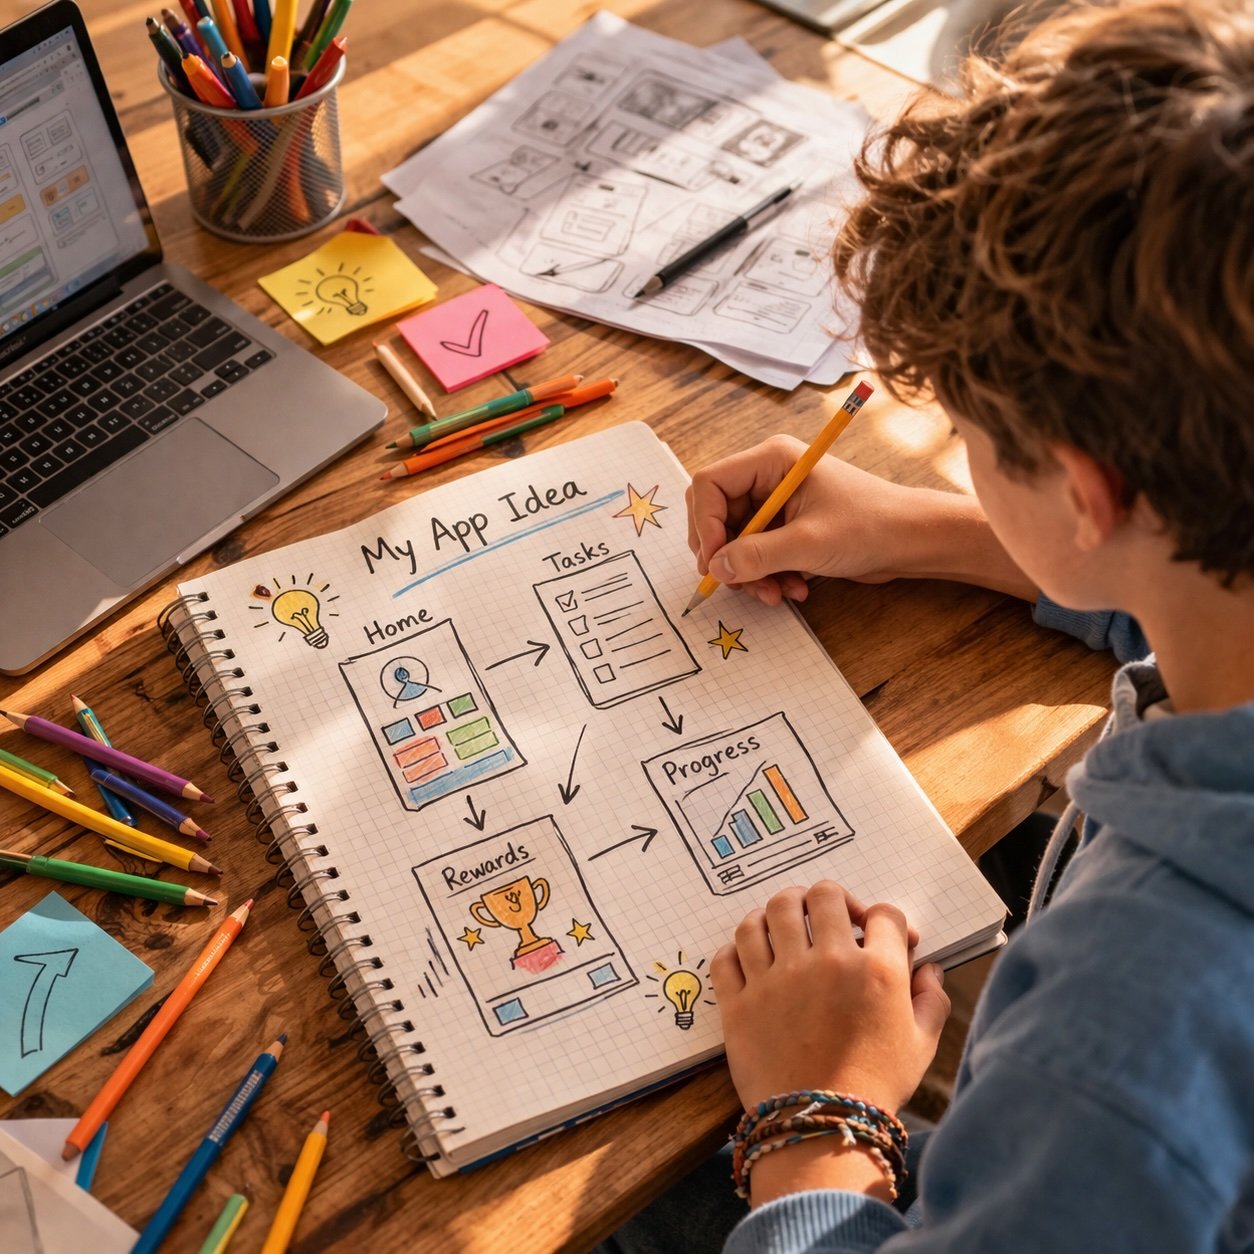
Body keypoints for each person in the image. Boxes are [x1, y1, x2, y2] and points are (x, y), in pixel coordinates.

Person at [600, 1, 1254, 1249]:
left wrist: (816, 1120)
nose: (959, 457)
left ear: (1086, 493)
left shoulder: (1118, 1048)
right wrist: (929, 531)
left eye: (966, 434)